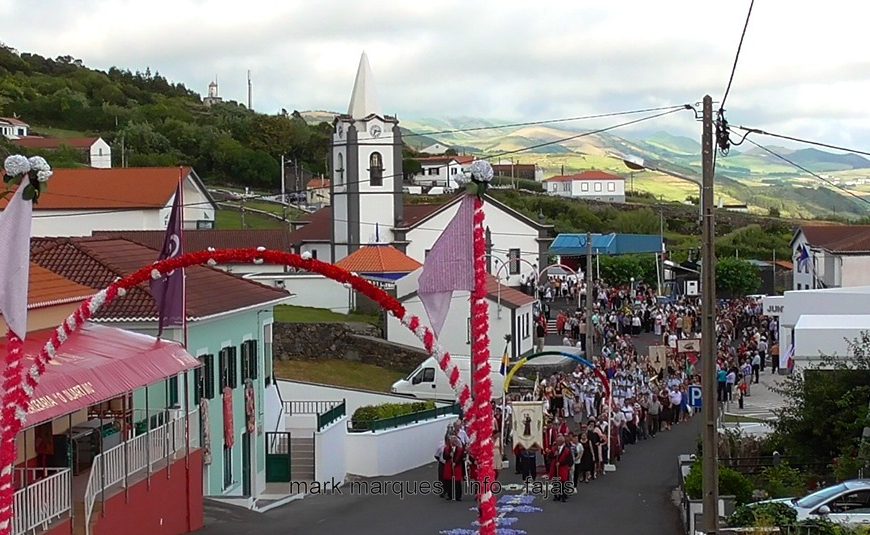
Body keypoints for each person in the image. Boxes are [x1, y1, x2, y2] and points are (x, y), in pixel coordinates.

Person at [548, 436, 573, 502]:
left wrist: (561, 463)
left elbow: (570, 460)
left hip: (563, 468)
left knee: (563, 482)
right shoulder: (554, 449)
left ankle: (563, 496)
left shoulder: (567, 450)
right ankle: (556, 495)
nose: (556, 442)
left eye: (558, 441)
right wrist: (554, 455)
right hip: (555, 468)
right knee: (555, 482)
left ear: (562, 442)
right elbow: (549, 457)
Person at [442, 436, 465, 501]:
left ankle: (458, 496)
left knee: (457, 482)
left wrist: (455, 462)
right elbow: (444, 457)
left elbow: (460, 457)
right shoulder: (446, 449)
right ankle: (450, 495)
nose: (453, 442)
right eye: (452, 441)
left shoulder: (460, 449)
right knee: (449, 481)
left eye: (454, 441)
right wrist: (449, 455)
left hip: (457, 466)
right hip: (449, 465)